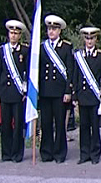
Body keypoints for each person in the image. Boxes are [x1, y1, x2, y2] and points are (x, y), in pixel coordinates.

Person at [73, 27, 101, 165]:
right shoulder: (78, 56)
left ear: (96, 39)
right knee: (83, 127)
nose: (89, 41)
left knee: (95, 127)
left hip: (95, 98)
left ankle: (95, 154)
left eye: (92, 38)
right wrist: (75, 97)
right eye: (87, 38)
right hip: (83, 97)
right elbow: (76, 77)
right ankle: (84, 154)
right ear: (84, 39)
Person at [39, 14, 74, 163]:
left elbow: (70, 71)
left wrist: (68, 91)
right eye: (49, 29)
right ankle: (46, 152)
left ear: (60, 31)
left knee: (60, 124)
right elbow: (39, 70)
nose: (51, 31)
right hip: (46, 91)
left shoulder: (66, 47)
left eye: (54, 29)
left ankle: (60, 153)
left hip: (60, 92)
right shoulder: (42, 47)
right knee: (46, 123)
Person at [0, 19, 30, 162]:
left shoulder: (24, 50)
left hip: (18, 93)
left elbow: (27, 73)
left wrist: (25, 91)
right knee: (6, 124)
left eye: (16, 33)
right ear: (8, 34)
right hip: (5, 91)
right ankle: (6, 153)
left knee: (18, 125)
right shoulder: (3, 50)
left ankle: (17, 154)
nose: (13, 36)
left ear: (20, 35)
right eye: (11, 33)